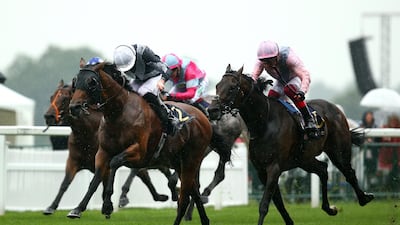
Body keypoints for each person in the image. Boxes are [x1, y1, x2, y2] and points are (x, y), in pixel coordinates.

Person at [252, 40, 319, 139]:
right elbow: (253, 76)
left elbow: (304, 75)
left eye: (270, 60)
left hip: (295, 78)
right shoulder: (261, 61)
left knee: (289, 90)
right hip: (281, 81)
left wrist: (302, 91)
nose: (267, 64)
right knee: (271, 97)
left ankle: (308, 119)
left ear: (277, 56)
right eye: (264, 61)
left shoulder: (289, 58)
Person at [113, 44, 180, 135]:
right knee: (130, 96)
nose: (131, 69)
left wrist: (162, 80)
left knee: (143, 92)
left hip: (154, 76)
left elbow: (166, 69)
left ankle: (169, 117)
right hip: (138, 79)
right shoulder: (119, 60)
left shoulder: (144, 52)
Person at [360, 110, 379, 189]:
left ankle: (373, 187)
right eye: (368, 116)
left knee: (373, 169)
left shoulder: (375, 127)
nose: (369, 118)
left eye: (370, 116)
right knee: (364, 169)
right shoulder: (361, 126)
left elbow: (379, 140)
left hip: (373, 153)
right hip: (363, 153)